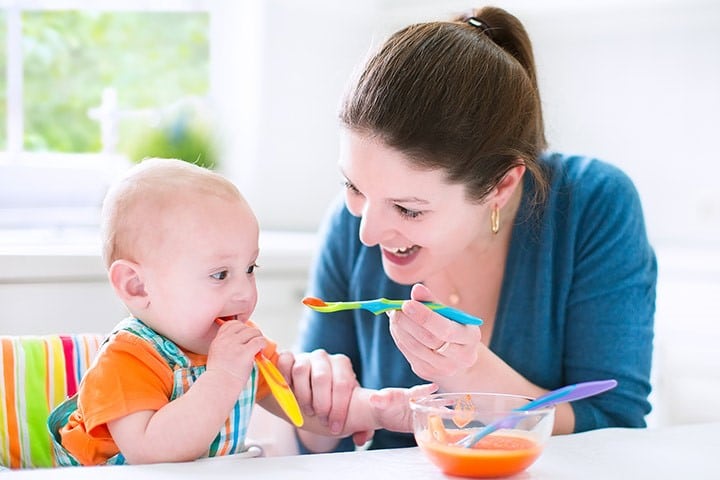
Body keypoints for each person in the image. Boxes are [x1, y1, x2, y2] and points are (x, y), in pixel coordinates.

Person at [293, 5, 657, 452]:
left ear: (501, 186)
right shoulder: (349, 225)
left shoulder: (593, 207)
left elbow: (615, 423)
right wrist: (315, 408)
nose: (367, 232)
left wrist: (467, 373)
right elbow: (312, 443)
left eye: (408, 209)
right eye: (353, 185)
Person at [47, 158, 434, 465]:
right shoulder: (125, 362)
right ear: (137, 286)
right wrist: (223, 376)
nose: (245, 292)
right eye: (220, 275)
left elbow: (308, 407)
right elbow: (151, 452)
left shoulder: (239, 346)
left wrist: (382, 409)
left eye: (250, 269)